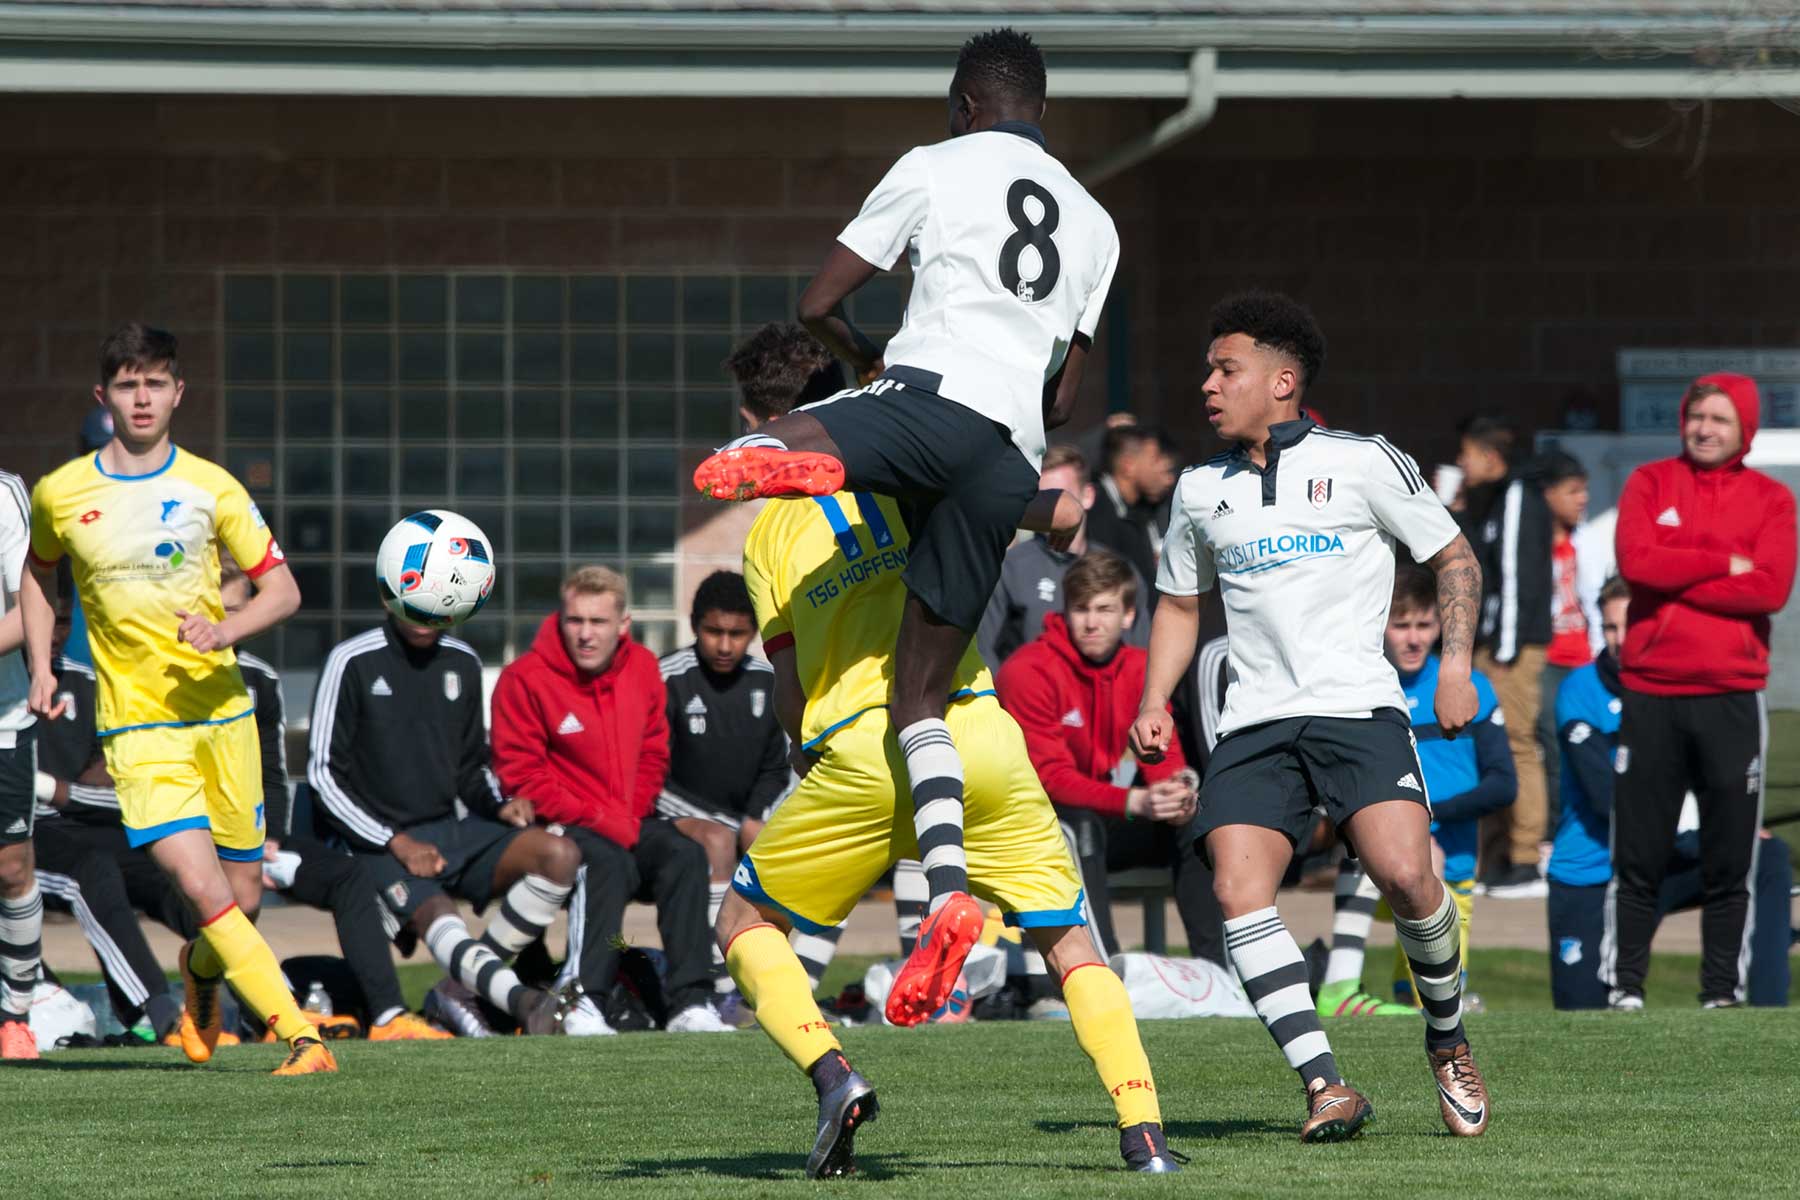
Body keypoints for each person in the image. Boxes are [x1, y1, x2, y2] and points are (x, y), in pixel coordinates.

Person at [691, 27, 1106, 1021]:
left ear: (964, 106)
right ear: (1040, 110)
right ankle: (950, 890)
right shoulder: (1096, 223)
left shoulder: (934, 164)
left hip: (923, 399)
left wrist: (869, 359)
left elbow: (819, 301)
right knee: (924, 693)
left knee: (851, 427)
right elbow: (1062, 399)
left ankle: (784, 445)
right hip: (1007, 450)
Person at [715, 323, 1180, 1178]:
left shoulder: (767, 540)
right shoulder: (912, 472)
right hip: (979, 739)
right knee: (1070, 942)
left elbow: (788, 687)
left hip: (861, 748)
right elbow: (1045, 506)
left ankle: (835, 1075)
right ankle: (1143, 1132)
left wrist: (804, 758)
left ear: (756, 422)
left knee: (744, 922)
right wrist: (1063, 514)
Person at [1132, 290, 1491, 1141]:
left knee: (1409, 878)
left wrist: (1456, 668)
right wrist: (1153, 699)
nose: (1208, 386)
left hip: (1357, 709)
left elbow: (1454, 557)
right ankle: (1327, 1085)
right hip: (1254, 723)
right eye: (1208, 371)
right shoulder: (1197, 490)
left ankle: (1447, 1041)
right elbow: (1179, 604)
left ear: (1282, 380)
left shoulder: (1365, 461)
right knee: (1237, 892)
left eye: (1227, 370)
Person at [23, 324, 333, 1075]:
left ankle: (199, 971)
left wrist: (225, 629)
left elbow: (283, 591)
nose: (142, 397)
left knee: (241, 900)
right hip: (137, 730)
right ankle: (303, 1037)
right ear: (104, 396)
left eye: (155, 383)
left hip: (223, 718)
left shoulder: (212, 486)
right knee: (199, 884)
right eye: (128, 384)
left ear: (177, 393)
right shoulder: (60, 492)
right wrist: (40, 666)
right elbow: (36, 572)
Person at [1607, 372, 1797, 1010]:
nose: (1705, 429)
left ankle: (1721, 992)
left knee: (1729, 859)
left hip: (1731, 695)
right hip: (1651, 692)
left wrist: (1676, 571)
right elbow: (1637, 563)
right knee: (1639, 854)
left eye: (1720, 419)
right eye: (1697, 416)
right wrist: (1724, 562)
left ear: (1745, 429)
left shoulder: (1773, 499)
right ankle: (1624, 987)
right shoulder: (1649, 482)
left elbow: (1769, 589)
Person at [309, 609, 579, 1037]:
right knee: (440, 913)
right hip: (374, 842)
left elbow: (472, 768)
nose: (424, 608)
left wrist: (499, 805)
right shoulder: (351, 659)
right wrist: (395, 841)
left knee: (559, 854)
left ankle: (457, 990)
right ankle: (525, 1003)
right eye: (414, 592)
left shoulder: (463, 660)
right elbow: (322, 778)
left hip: (447, 830)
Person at [489, 565, 730, 1035]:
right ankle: (582, 1000)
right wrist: (606, 822)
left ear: (623, 624)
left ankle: (691, 1003)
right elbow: (522, 776)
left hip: (628, 820)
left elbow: (655, 752)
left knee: (684, 854)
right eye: (575, 620)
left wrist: (627, 816)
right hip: (559, 827)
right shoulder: (525, 678)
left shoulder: (642, 667)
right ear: (561, 619)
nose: (585, 634)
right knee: (607, 862)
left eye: (598, 622)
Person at [217, 563, 448, 1040]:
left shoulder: (260, 678)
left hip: (256, 840)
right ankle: (235, 1019)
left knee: (349, 876)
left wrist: (270, 839)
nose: (224, 623)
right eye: (214, 611)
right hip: (193, 840)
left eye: (236, 611)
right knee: (216, 896)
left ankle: (387, 1016)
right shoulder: (168, 676)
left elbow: (273, 773)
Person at [1549, 577, 1792, 1008]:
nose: (1620, 640)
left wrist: (1729, 828)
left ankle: (1764, 1012)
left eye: (1630, 626)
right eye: (1610, 628)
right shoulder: (1579, 689)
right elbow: (1607, 796)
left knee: (1763, 857)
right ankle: (1624, 988)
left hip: (1670, 856)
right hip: (1594, 867)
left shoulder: (1680, 689)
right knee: (1582, 1013)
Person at [994, 549, 1219, 966]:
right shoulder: (1027, 671)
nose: (1092, 622)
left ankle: (1218, 975)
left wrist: (1176, 791)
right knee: (1079, 826)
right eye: (1081, 609)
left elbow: (1162, 754)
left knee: (1197, 822)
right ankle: (1105, 974)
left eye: (1104, 609)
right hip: (1049, 828)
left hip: (1120, 815)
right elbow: (1050, 778)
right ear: (1065, 611)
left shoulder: (1143, 669)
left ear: (1129, 615)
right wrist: (1134, 801)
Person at [1316, 564, 1515, 1019]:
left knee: (1426, 1007)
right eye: (1400, 625)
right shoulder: (1363, 688)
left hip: (1452, 873)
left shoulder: (1469, 687)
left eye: (1424, 625)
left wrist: (1424, 815)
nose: (1412, 638)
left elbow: (1504, 785)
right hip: (1383, 863)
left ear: (1441, 624)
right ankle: (1337, 984)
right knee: (1375, 857)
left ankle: (1352, 985)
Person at [657, 570, 789, 995]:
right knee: (717, 840)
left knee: (804, 854)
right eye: (715, 632)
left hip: (742, 817)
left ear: (754, 632)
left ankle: (796, 980)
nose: (726, 645)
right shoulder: (668, 678)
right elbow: (652, 773)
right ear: (695, 625)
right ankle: (719, 983)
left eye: (738, 633)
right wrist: (730, 825)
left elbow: (777, 767)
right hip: (673, 818)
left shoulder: (769, 681)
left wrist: (754, 816)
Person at [1457, 415, 1553, 898]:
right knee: (1487, 746)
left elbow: (1518, 579)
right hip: (1494, 644)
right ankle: (1494, 857)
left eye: (1466, 455)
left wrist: (1506, 650)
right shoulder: (1493, 501)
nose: (1461, 463)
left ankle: (1526, 858)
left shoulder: (1518, 499)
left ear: (1491, 457)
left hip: (1512, 648)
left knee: (1516, 744)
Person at [977, 444, 1150, 671]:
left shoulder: (1119, 570)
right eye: (1041, 498)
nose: (1052, 507)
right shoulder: (1010, 569)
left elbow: (1140, 653)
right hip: (1030, 690)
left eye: (1060, 496)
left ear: (1087, 496)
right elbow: (984, 651)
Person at [0, 468, 55, 1059]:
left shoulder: (6, 494)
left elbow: (30, 605)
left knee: (12, 868)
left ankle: (14, 1017)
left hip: (4, 719)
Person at [1539, 451, 1592, 835]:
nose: (1583, 499)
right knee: (1552, 748)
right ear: (1549, 494)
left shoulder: (1587, 542)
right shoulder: (1532, 546)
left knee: (1587, 746)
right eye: (1573, 491)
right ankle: (1554, 831)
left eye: (1584, 490)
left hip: (1585, 661)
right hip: (1547, 660)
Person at [1085, 424, 1178, 586]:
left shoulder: (1146, 509)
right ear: (1128, 465)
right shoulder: (1095, 509)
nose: (1161, 467)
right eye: (1155, 459)